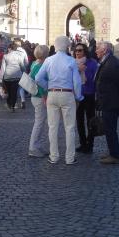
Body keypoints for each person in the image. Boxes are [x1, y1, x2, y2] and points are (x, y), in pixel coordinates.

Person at [35, 35, 83, 165]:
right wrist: (78, 96)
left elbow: (38, 78)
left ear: (56, 46)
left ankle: (54, 156)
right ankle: (70, 158)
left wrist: (48, 87)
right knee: (70, 127)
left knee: (52, 127)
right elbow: (77, 82)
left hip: (52, 94)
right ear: (67, 46)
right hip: (67, 94)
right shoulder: (71, 60)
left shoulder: (49, 60)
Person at [94, 41, 119, 165]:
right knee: (109, 128)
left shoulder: (111, 64)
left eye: (97, 48)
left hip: (112, 102)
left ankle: (115, 155)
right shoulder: (107, 62)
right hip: (109, 101)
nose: (95, 51)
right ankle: (113, 152)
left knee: (110, 129)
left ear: (104, 50)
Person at [74, 43, 99, 154]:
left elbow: (96, 79)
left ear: (85, 51)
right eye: (76, 50)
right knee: (79, 121)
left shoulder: (92, 63)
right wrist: (77, 70)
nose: (77, 52)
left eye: (80, 50)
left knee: (90, 121)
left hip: (89, 94)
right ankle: (83, 143)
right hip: (77, 96)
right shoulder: (73, 63)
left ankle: (90, 144)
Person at [28, 45, 49, 157]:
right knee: (39, 123)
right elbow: (39, 82)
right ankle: (33, 147)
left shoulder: (34, 63)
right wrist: (44, 96)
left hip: (35, 96)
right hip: (39, 96)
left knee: (39, 122)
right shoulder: (40, 66)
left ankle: (37, 145)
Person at [0, 43, 27, 112]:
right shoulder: (19, 56)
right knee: (14, 92)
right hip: (17, 76)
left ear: (10, 48)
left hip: (7, 77)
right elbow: (22, 66)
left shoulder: (5, 56)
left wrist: (1, 78)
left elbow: (3, 68)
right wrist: (24, 72)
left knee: (8, 91)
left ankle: (9, 103)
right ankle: (13, 106)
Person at [13, 40, 30, 109]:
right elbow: (27, 62)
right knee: (21, 86)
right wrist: (25, 69)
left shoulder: (13, 52)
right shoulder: (23, 51)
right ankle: (23, 101)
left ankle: (15, 103)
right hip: (22, 71)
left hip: (13, 71)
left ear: (14, 45)